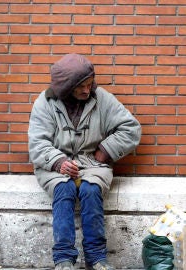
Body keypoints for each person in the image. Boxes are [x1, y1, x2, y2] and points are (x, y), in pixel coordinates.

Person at [28, 53, 142, 270]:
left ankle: (96, 258)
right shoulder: (45, 103)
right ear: (66, 86)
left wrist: (105, 151)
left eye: (90, 84)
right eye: (81, 86)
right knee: (64, 189)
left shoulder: (102, 98)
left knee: (90, 190)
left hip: (91, 163)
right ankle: (63, 259)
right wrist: (58, 161)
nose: (87, 90)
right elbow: (37, 143)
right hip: (54, 165)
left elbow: (131, 129)